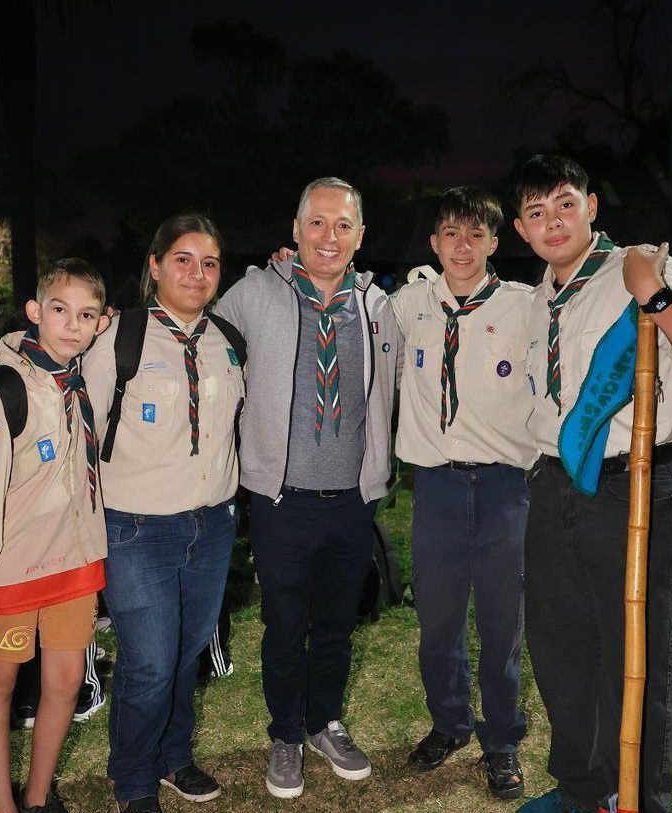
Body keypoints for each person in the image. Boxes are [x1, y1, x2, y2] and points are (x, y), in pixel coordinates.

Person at [509, 154, 672, 813]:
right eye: (534, 212)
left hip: (635, 485)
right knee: (559, 645)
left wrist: (655, 297)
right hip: (555, 485)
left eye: (563, 203)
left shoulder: (642, 266)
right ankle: (583, 789)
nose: (551, 221)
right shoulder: (540, 294)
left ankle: (638, 798)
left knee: (635, 652)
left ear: (590, 206)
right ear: (522, 231)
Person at [215, 177, 400, 799]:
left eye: (343, 225)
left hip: (351, 499)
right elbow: (191, 337)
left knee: (336, 625)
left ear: (360, 236)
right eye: (317, 223)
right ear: (294, 231)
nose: (329, 236)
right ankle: (286, 734)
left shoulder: (380, 307)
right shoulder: (255, 293)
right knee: (284, 623)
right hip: (280, 499)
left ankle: (325, 722)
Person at [83, 214, 243, 813]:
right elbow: (84, 434)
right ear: (154, 266)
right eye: (183, 259)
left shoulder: (228, 339)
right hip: (138, 529)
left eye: (208, 262)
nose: (197, 273)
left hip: (213, 524)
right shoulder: (117, 338)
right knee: (149, 661)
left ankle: (174, 757)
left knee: (185, 652)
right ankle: (132, 779)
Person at [0, 259, 110, 813]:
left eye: (87, 315)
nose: (73, 325)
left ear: (98, 324)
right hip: (11, 573)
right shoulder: (1, 395)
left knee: (64, 687)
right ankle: (2, 805)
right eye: (60, 310)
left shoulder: (81, 381)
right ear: (36, 312)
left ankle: (39, 798)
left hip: (76, 567)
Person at [391, 187, 535, 799]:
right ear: (433, 243)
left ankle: (502, 740)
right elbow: (336, 301)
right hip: (438, 486)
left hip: (505, 487)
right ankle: (450, 722)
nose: (463, 245)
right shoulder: (407, 304)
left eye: (476, 234)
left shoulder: (529, 306)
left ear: (495, 244)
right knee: (439, 620)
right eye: (451, 233)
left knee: (503, 625)